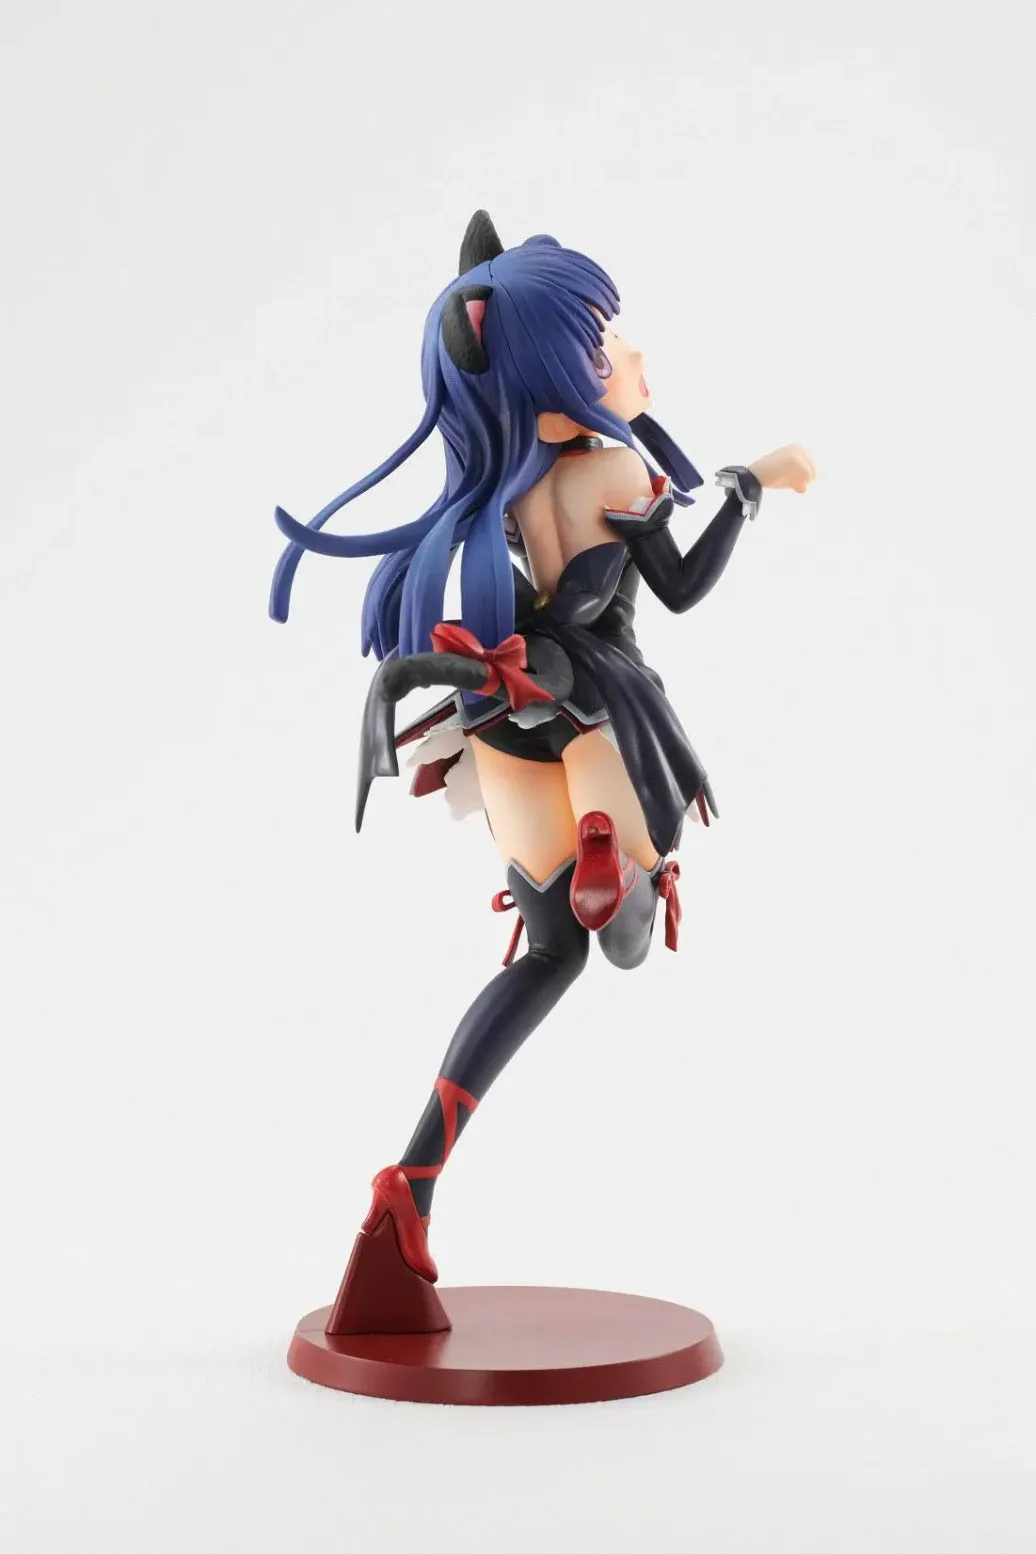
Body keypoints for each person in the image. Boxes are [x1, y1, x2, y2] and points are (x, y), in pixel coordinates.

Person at [271, 210, 815, 1306]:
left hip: (507, 718)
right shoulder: (614, 468)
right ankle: (613, 854)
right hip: (602, 710)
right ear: (562, 379)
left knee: (545, 955)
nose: (634, 352)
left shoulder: (500, 489)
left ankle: (414, 1177)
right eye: (607, 342)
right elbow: (678, 588)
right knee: (622, 944)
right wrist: (749, 488)